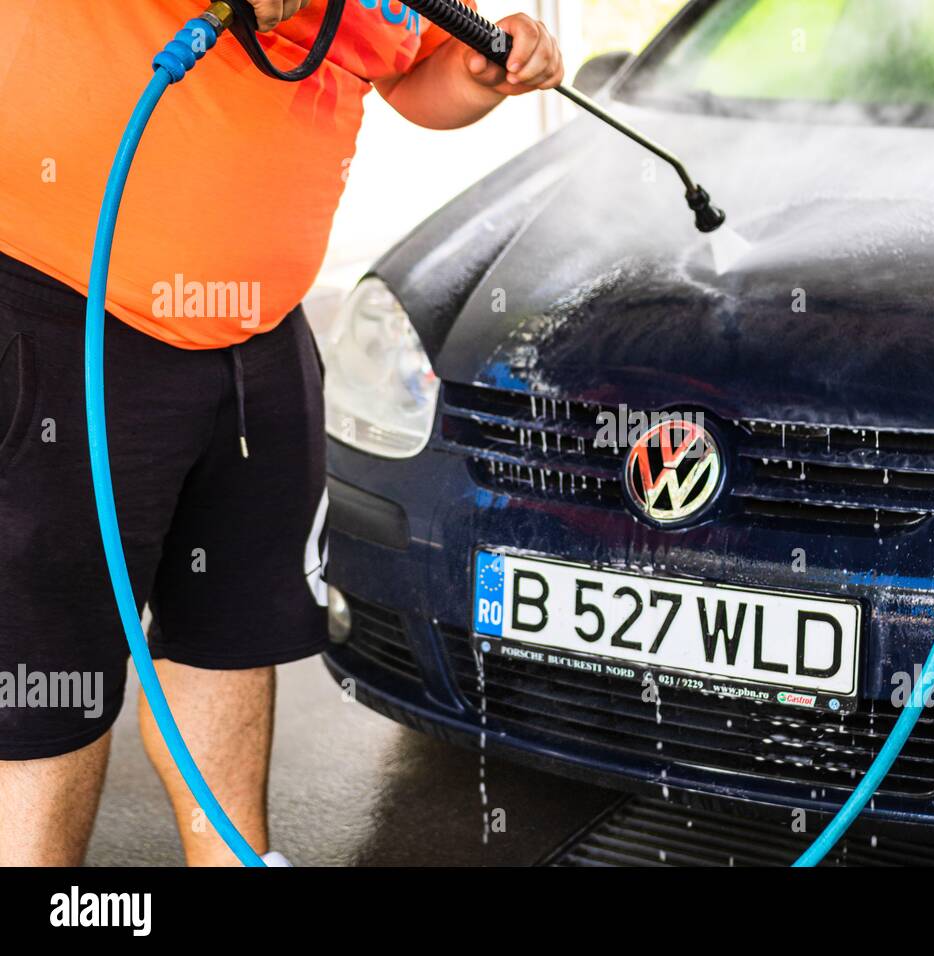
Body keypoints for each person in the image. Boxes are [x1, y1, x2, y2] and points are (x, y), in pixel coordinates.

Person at [0, 0, 563, 866]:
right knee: (46, 679)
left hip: (255, 331)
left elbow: (408, 70)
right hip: (60, 308)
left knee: (228, 634)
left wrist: (475, 75)